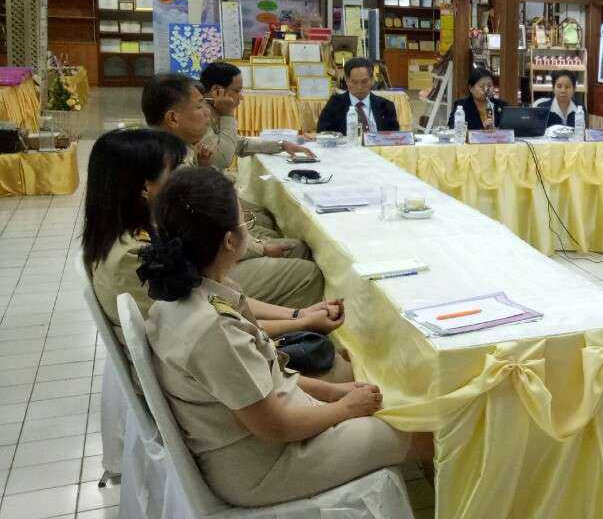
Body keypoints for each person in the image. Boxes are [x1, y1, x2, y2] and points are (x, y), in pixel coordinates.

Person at [139, 167, 433, 507]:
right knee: (422, 431)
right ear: (230, 241)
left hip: (270, 435)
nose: (247, 228)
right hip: (266, 465)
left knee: (388, 404)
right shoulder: (212, 328)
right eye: (245, 222)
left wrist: (335, 393)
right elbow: (275, 426)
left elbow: (266, 379)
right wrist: (346, 409)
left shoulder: (186, 297)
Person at [82, 128, 344, 347]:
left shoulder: (132, 231)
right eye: (173, 172)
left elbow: (215, 297)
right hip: (196, 371)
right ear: (144, 188)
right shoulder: (134, 256)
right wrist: (301, 323)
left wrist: (298, 315)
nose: (181, 179)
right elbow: (216, 328)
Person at [142, 73, 326, 309]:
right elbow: (206, 233)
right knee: (307, 270)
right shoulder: (171, 164)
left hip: (201, 257)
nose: (207, 112)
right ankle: (294, 325)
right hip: (201, 272)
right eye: (200, 106)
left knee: (278, 232)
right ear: (173, 118)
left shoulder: (174, 148)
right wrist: (260, 248)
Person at [199, 62, 314, 169]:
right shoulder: (199, 115)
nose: (241, 97)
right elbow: (222, 160)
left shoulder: (213, 110)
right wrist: (228, 115)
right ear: (217, 90)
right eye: (237, 91)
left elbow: (240, 144)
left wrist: (282, 145)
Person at [316, 57, 399, 134]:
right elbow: (323, 133)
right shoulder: (334, 104)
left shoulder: (386, 106)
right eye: (354, 82)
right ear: (347, 81)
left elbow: (394, 138)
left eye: (364, 82)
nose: (359, 87)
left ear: (372, 80)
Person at [452, 66, 507, 131]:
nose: (486, 90)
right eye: (482, 86)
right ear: (471, 88)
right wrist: (482, 130)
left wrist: (496, 130)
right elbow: (452, 128)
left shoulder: (502, 106)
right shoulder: (461, 106)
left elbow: (510, 129)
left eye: (489, 86)